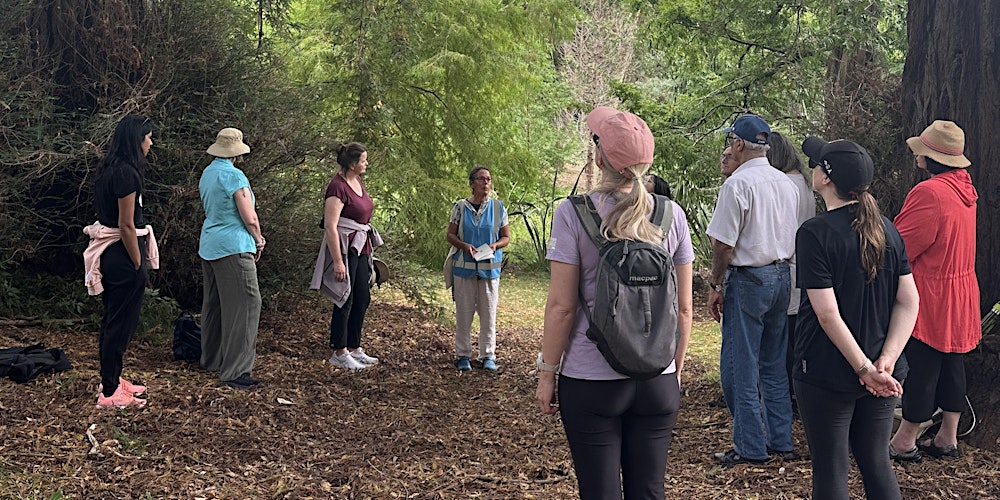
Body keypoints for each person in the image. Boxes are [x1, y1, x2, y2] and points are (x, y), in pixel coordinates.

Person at [535, 106, 694, 498]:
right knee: (649, 490)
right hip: (656, 378)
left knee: (599, 491)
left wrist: (547, 372)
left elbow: (562, 307)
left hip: (591, 381)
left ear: (600, 157)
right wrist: (674, 369)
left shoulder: (572, 214)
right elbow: (684, 308)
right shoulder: (672, 215)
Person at [794, 136, 919, 500]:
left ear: (825, 179)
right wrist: (887, 361)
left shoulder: (814, 233)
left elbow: (827, 314)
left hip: (825, 370)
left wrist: (866, 369)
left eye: (817, 164)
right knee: (876, 461)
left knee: (832, 467)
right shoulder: (887, 229)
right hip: (884, 370)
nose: (813, 168)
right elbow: (909, 302)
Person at [706, 114, 799, 465]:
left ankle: (749, 445)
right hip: (781, 275)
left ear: (740, 144)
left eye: (731, 141)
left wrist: (716, 284)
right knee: (774, 364)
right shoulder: (786, 183)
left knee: (740, 364)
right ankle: (780, 440)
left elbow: (723, 245)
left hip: (749, 278)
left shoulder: (737, 185)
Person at [889, 120, 979, 461]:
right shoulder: (964, 187)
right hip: (962, 290)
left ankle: (904, 441)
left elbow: (901, 246)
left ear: (929, 157)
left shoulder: (930, 192)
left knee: (923, 367)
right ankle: (947, 438)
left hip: (933, 293)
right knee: (953, 364)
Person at [87, 114, 158, 408]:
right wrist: (138, 264)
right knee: (119, 323)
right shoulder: (127, 174)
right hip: (121, 254)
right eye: (148, 137)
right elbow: (126, 224)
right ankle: (110, 390)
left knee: (113, 320)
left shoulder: (109, 168)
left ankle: (112, 379)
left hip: (111, 253)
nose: (151, 143)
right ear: (136, 140)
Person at [198, 128, 263, 389]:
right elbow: (249, 217)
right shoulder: (234, 176)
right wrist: (258, 239)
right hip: (234, 246)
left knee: (215, 304)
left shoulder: (208, 173)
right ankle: (236, 371)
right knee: (248, 303)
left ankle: (212, 358)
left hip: (210, 243)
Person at [312, 142, 382, 371]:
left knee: (363, 296)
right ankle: (339, 350)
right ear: (352, 164)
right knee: (345, 296)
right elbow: (331, 226)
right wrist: (339, 262)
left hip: (361, 246)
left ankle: (354, 346)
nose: (366, 164)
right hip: (344, 246)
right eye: (363, 160)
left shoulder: (357, 181)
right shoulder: (337, 187)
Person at [766, 130, 816, 407]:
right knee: (795, 336)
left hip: (788, 265)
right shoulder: (803, 183)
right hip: (801, 266)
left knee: (784, 338)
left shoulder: (785, 184)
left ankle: (786, 394)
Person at [446, 165, 510, 372]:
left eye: (489, 179)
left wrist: (495, 245)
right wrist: (464, 246)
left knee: (489, 313)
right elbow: (450, 235)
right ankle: (463, 354)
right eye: (481, 179)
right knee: (464, 314)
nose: (486, 183)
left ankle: (488, 355)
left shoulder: (499, 208)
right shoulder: (460, 207)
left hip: (490, 269)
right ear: (472, 183)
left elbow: (506, 237)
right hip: (464, 269)